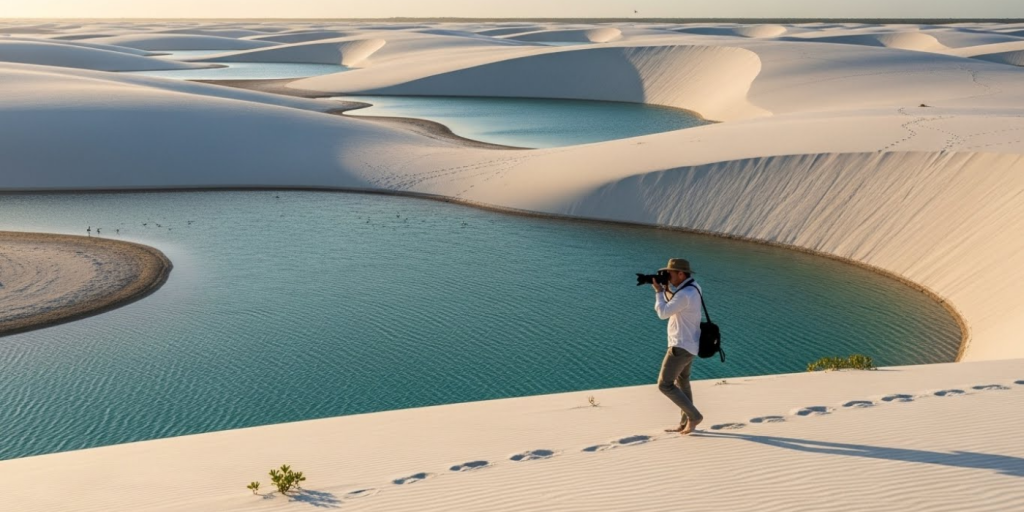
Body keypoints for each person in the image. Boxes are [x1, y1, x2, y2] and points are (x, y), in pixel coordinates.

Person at [652, 258, 704, 435]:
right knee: (682, 383)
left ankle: (694, 416)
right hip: (691, 345)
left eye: (670, 273)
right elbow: (675, 304)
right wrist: (666, 289)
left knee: (664, 384)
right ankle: (685, 423)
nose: (667, 276)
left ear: (681, 274)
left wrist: (659, 292)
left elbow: (663, 313)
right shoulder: (694, 287)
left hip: (680, 346)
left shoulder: (684, 294)